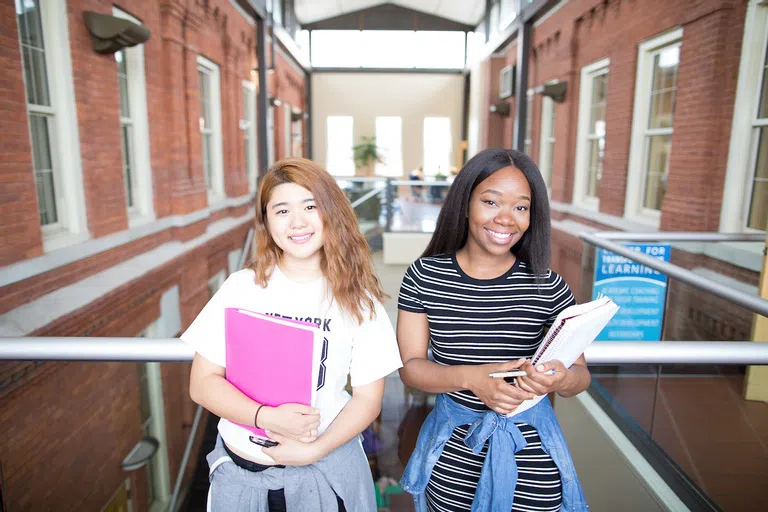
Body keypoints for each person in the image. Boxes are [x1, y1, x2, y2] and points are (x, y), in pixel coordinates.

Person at [182, 157, 403, 511]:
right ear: (267, 222)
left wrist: (314, 448)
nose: (297, 222)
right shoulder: (241, 288)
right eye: (282, 210)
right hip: (241, 479)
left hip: (325, 473)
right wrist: (264, 417)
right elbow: (202, 382)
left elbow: (367, 397)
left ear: (331, 212)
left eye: (310, 206)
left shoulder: (360, 300)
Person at [396, 148, 590, 512]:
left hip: (531, 456)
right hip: (453, 454)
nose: (506, 219)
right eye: (491, 202)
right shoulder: (425, 277)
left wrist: (559, 379)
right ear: (466, 203)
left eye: (521, 207)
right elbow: (411, 369)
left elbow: (580, 377)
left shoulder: (548, 286)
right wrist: (473, 379)